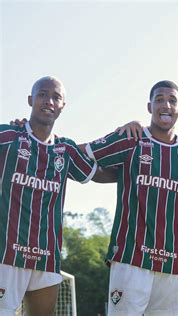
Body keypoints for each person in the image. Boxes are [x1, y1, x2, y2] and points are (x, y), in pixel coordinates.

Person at [85, 80, 178, 315]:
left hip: (172, 263)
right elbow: (82, 153)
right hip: (130, 260)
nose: (166, 105)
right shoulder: (131, 139)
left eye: (172, 100)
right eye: (159, 99)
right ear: (149, 106)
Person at [0, 76, 114, 316]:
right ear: (31, 100)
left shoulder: (66, 150)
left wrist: (136, 166)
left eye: (56, 97)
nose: (49, 101)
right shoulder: (8, 137)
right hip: (6, 254)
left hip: (46, 256)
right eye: (42, 94)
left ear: (63, 106)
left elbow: (98, 174)